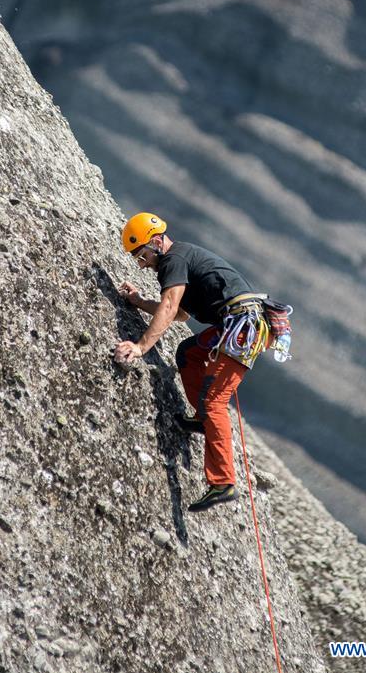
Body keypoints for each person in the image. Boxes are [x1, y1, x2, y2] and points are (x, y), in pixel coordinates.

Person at [114, 212, 272, 513]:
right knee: (189, 353)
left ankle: (223, 482)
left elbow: (171, 305)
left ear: (157, 241)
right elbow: (179, 314)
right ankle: (203, 418)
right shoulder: (180, 260)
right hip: (239, 324)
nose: (142, 262)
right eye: (137, 258)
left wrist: (140, 346)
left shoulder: (173, 259)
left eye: (142, 254)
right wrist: (137, 302)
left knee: (215, 401)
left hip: (242, 327)